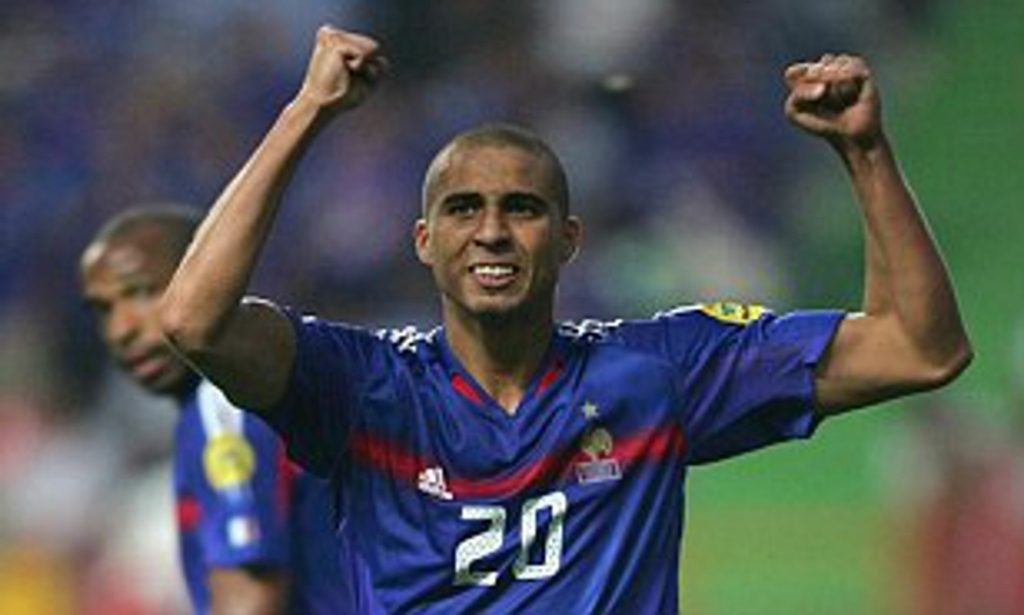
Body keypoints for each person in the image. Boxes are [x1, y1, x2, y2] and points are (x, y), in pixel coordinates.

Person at [157, 25, 972, 613]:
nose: (492, 231)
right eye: (464, 208)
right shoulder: (364, 386)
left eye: (522, 207)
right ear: (424, 241)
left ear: (569, 239)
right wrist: (307, 110)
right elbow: (194, 320)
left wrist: (864, 152)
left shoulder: (653, 374)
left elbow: (919, 348)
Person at [79, 206, 366, 614]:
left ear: (207, 281)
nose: (120, 329)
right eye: (103, 309)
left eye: (142, 292)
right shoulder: (261, 389)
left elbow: (249, 600)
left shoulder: (225, 405)